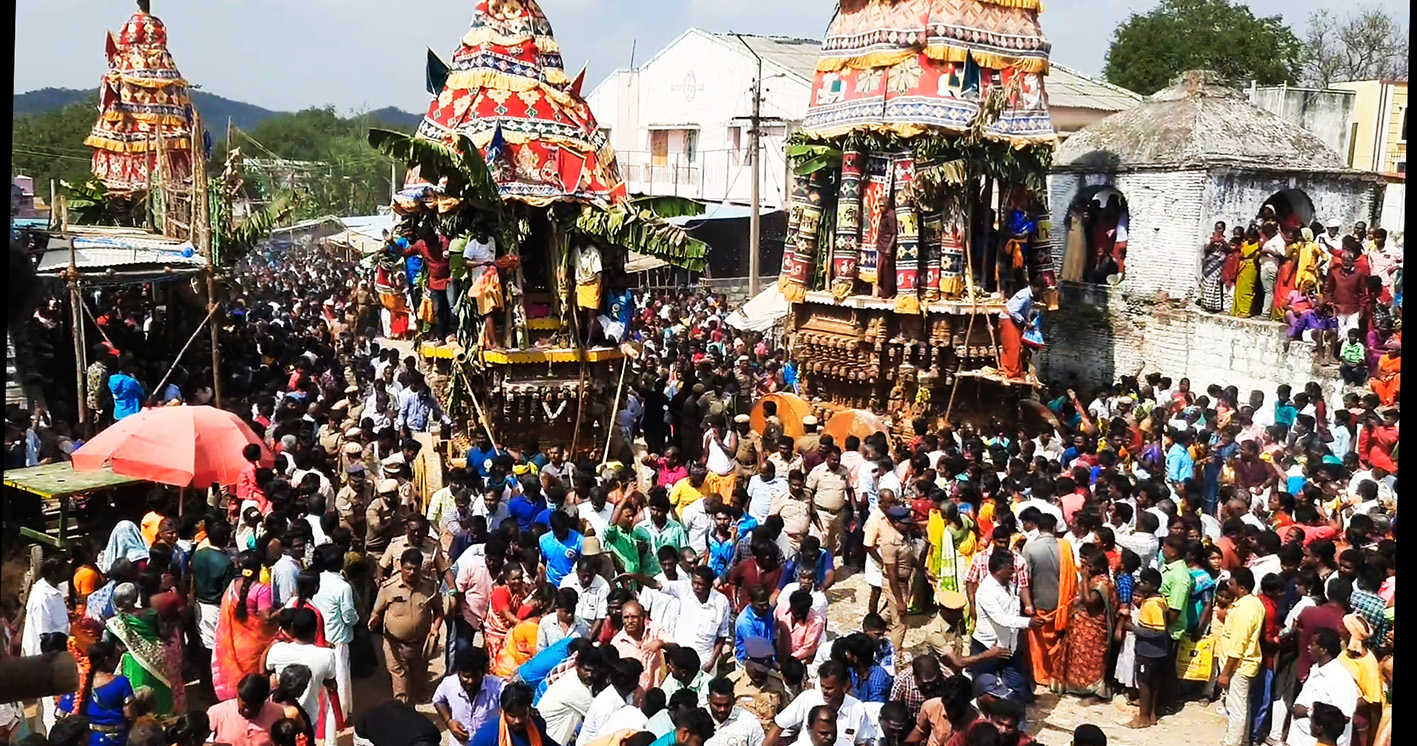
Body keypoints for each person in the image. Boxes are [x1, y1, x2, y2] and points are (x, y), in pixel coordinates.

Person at [370, 547, 443, 704]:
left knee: (417, 683)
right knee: (401, 685)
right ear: (400, 567)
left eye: (415, 569)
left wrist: (435, 628)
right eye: (408, 568)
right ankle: (402, 714)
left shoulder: (430, 587)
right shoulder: (388, 588)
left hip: (420, 645)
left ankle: (412, 711)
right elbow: (377, 611)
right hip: (394, 645)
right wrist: (373, 620)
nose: (411, 572)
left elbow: (439, 611)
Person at [264, 608, 340, 745]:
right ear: (316, 629)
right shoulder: (327, 655)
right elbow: (330, 682)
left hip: (278, 714)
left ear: (292, 628)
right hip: (309, 715)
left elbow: (267, 669)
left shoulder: (277, 650)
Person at [763, 661, 876, 746]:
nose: (825, 691)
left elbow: (863, 741)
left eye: (830, 688)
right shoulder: (808, 697)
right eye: (822, 686)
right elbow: (779, 726)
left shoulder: (857, 708)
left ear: (844, 686)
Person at [1052, 550, 1117, 698]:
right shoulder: (1091, 579)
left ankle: (1093, 690)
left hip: (1094, 627)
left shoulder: (1102, 583)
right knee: (1077, 656)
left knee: (1092, 658)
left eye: (1089, 566)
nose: (1085, 568)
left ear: (1099, 567)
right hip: (1080, 625)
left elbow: (1090, 603)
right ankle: (1075, 686)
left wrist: (1084, 578)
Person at [1217, 568, 1265, 745]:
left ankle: (1233, 743)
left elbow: (1238, 646)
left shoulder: (1245, 610)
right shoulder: (1252, 603)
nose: (1228, 585)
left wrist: (1225, 673)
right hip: (1243, 664)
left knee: (1236, 709)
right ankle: (1241, 740)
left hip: (1239, 667)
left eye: (1232, 583)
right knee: (1239, 706)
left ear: (1242, 588)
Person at [1288, 629, 1359, 746]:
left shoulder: (1339, 678)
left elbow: (1344, 717)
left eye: (1313, 644)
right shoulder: (1315, 670)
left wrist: (1307, 712)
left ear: (1324, 650)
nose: (1308, 647)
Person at [433, 648, 505, 746]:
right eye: (466, 677)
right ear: (458, 673)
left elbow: (514, 699)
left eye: (475, 676)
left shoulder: (497, 687)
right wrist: (448, 721)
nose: (471, 681)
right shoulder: (449, 684)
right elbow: (438, 700)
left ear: (483, 673)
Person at [207, 674, 285, 746]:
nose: (247, 711)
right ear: (238, 696)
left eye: (253, 707)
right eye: (244, 706)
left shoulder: (277, 714)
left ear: (263, 702)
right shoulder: (217, 713)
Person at [998, 276, 1045, 380]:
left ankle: (1014, 371)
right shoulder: (1024, 296)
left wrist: (1027, 322)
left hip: (1014, 320)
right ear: (1035, 287)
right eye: (1040, 291)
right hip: (1008, 319)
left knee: (1018, 347)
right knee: (1012, 347)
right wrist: (1025, 323)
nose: (1041, 294)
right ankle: (1010, 374)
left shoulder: (1030, 297)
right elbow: (1013, 311)